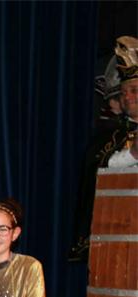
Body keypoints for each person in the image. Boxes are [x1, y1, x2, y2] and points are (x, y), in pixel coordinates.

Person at [70, 36, 138, 261]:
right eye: (124, 92)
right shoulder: (109, 136)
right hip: (120, 232)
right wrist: (132, 154)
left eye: (134, 90)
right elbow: (98, 169)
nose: (128, 97)